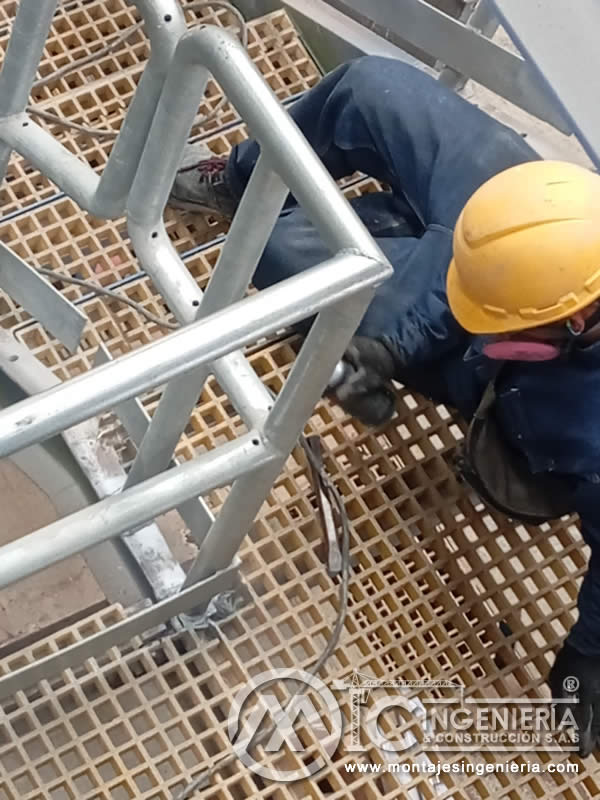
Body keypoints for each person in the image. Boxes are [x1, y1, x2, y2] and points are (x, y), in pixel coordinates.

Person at [168, 56, 600, 756]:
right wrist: (394, 346)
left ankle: (378, 233)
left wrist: (589, 654)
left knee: (272, 247)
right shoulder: (567, 262)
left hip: (504, 370)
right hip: (541, 222)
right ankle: (252, 176)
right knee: (371, 90)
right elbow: (496, 277)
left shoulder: (589, 434)